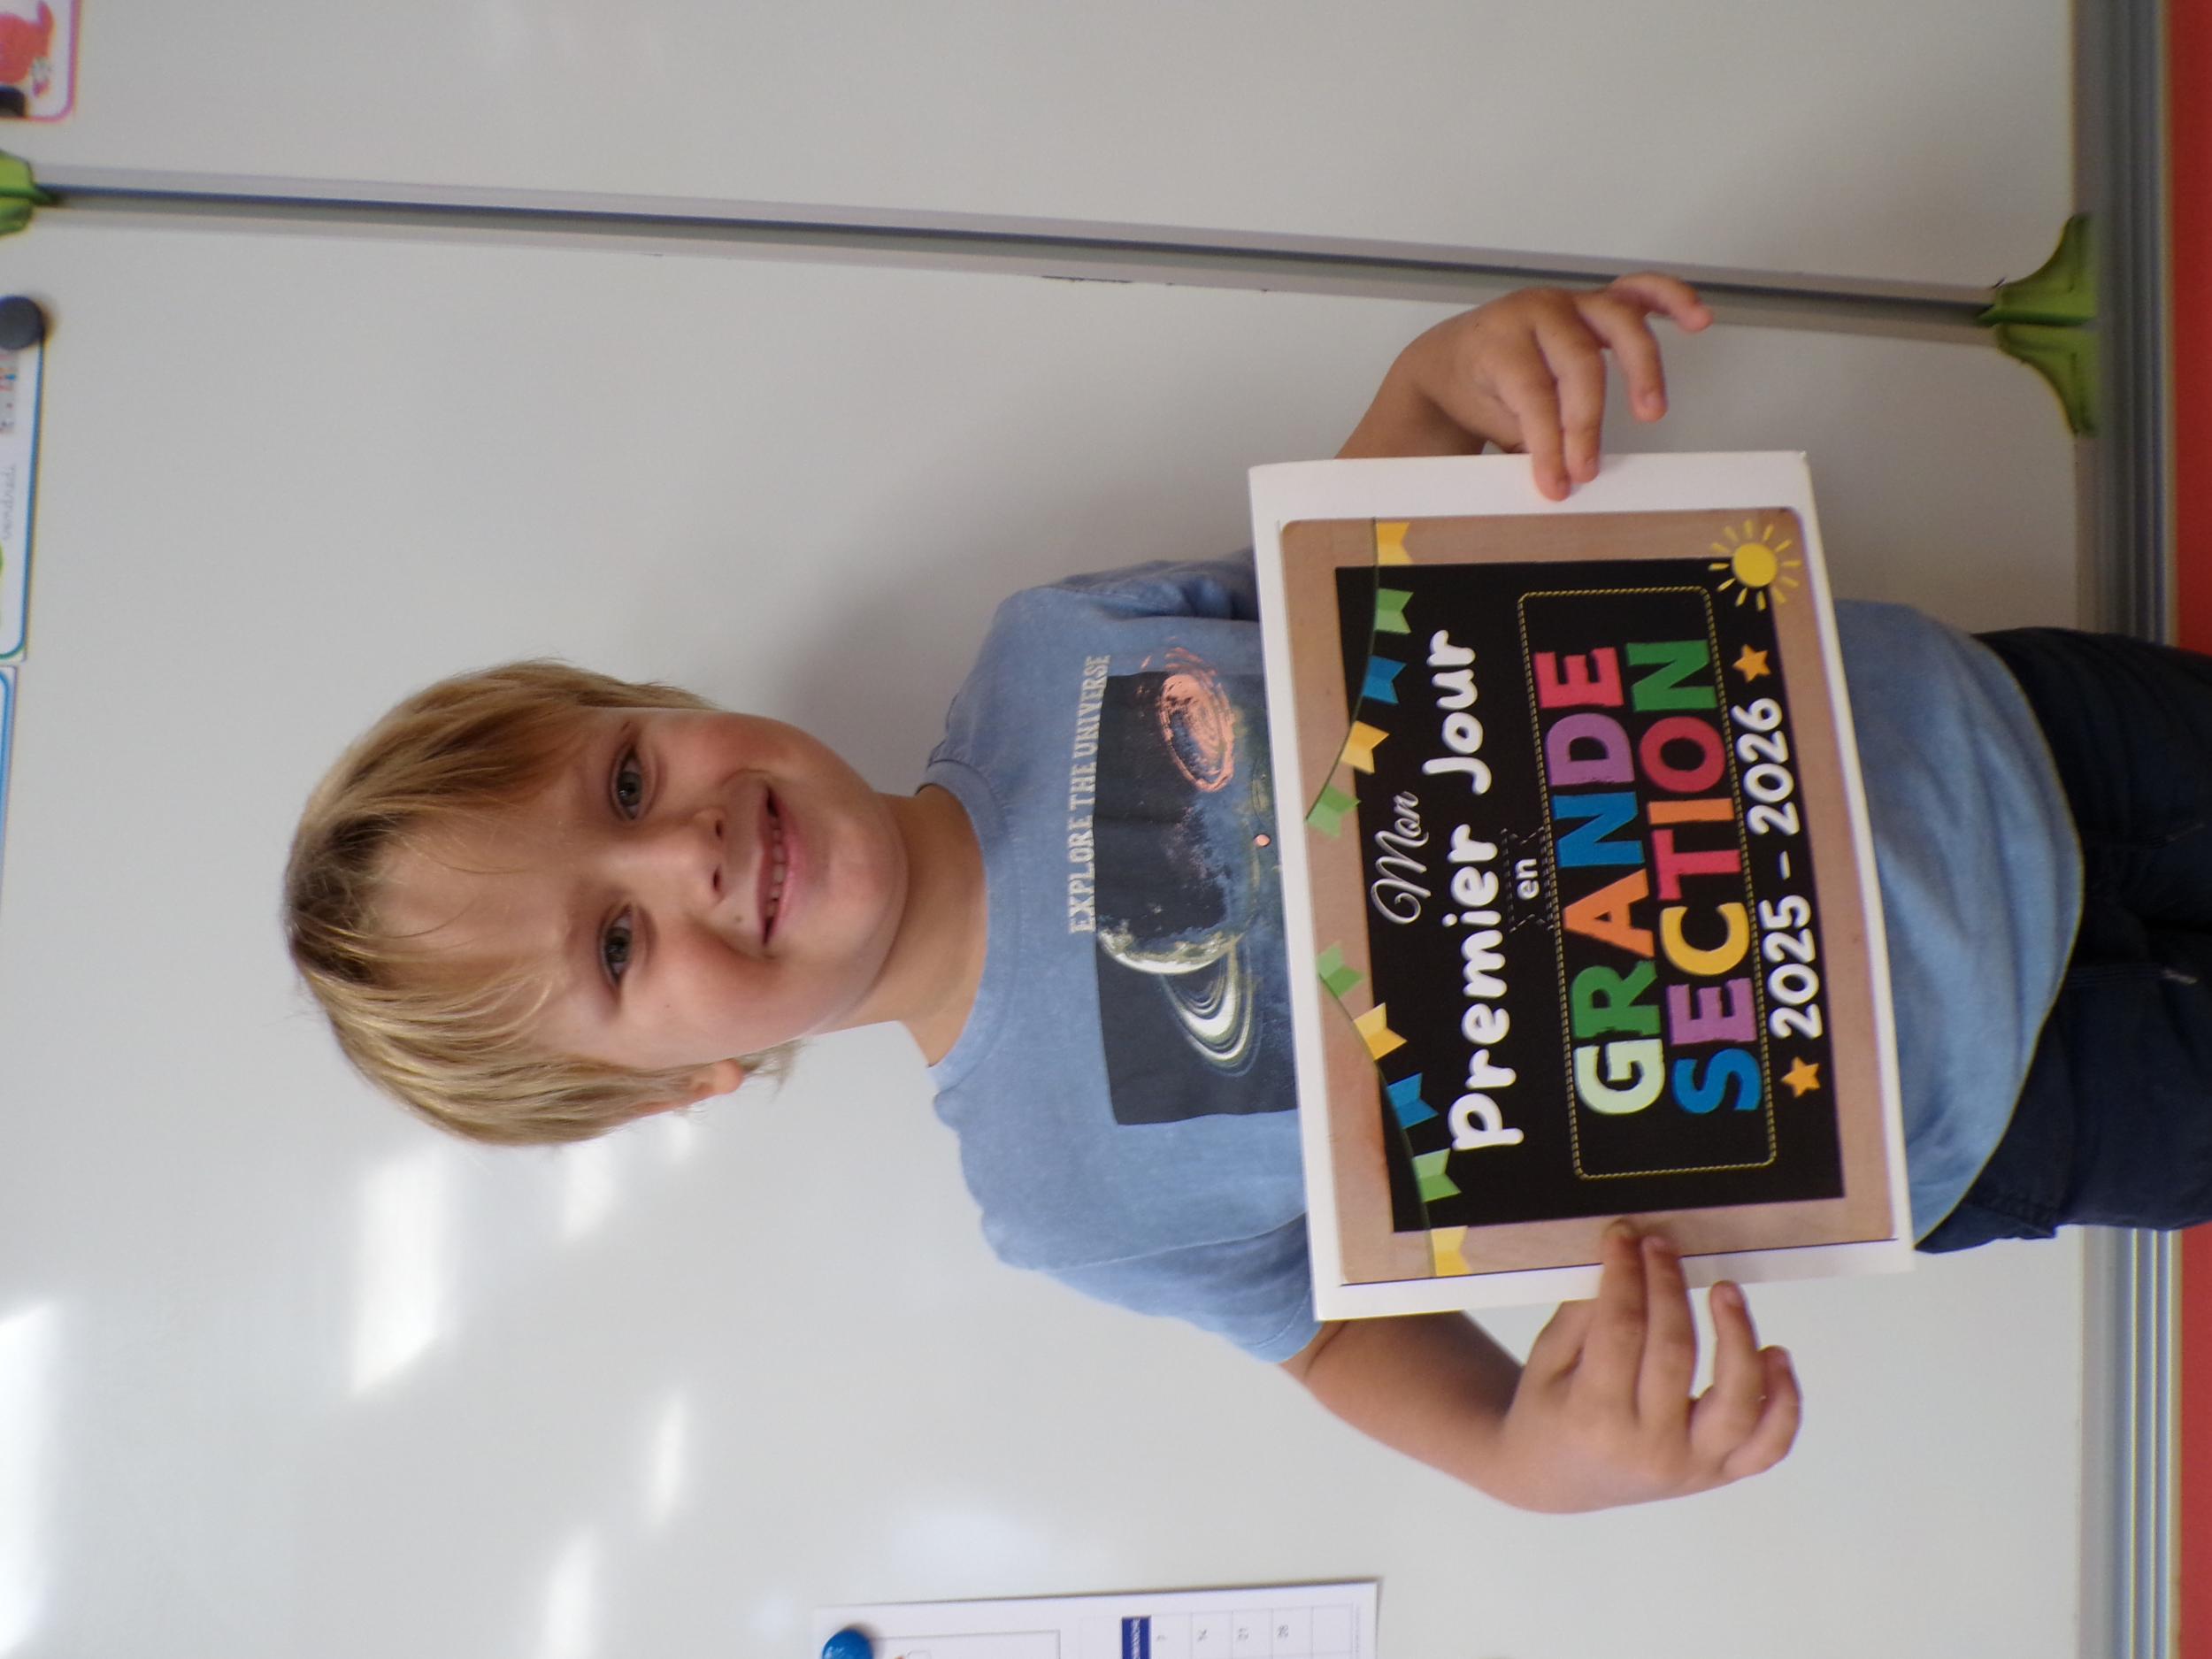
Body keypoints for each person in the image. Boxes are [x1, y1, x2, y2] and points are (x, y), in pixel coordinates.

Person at [285, 275, 2210, 1514]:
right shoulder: (1052, 1190)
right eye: (617, 943)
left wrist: (1438, 379)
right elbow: (1344, 1345)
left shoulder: (1045, 653)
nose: (683, 849)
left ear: (655, 708)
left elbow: (1352, 547)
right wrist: (1531, 1458)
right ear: (681, 1088)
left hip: (1984, 731)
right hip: (1974, 1105)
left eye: (625, 781)